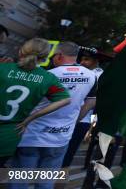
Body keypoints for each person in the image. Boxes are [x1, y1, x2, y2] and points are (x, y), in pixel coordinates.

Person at [10, 41, 96, 187]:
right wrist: (72, 122)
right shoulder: (91, 76)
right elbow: (90, 102)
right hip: (61, 137)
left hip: (32, 135)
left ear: (59, 56)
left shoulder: (48, 75)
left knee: (21, 179)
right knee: (46, 182)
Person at [0, 38, 71, 167]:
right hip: (9, 135)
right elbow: (65, 100)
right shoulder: (47, 78)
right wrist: (31, 118)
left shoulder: (3, 68)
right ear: (45, 57)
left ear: (21, 51)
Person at [62, 47, 104, 168]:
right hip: (67, 117)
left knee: (67, 154)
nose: (82, 62)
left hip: (81, 120)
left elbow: (94, 104)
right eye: (81, 59)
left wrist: (90, 128)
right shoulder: (79, 71)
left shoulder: (100, 76)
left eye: (87, 59)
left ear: (96, 61)